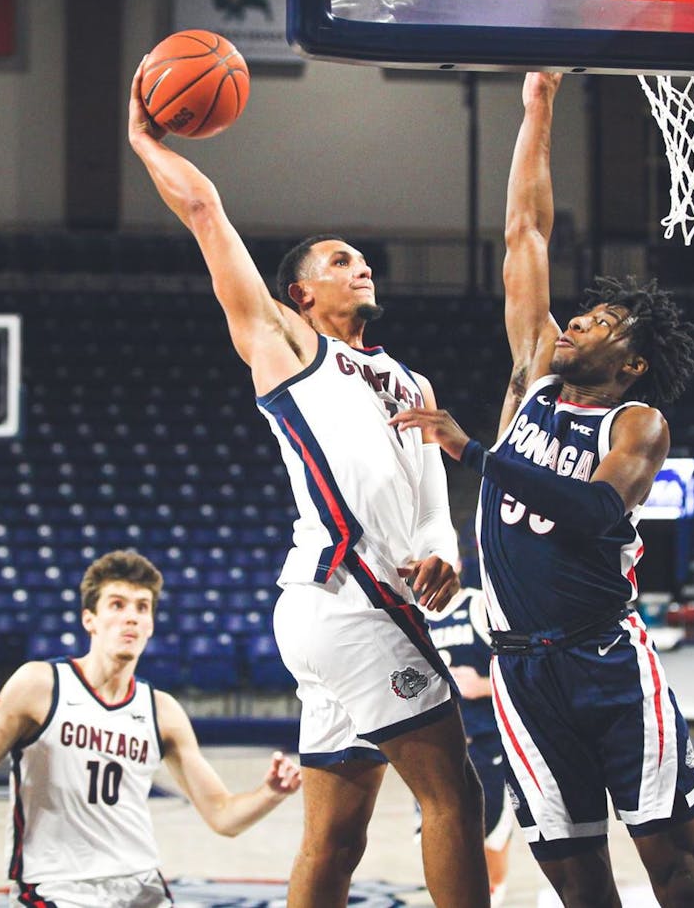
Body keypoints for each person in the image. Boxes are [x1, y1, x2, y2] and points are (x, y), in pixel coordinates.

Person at [127, 62, 489, 907]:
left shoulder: (413, 382)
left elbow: (430, 500)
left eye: (362, 257)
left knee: (334, 838)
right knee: (454, 793)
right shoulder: (288, 347)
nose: (360, 265)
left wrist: (443, 554)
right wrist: (147, 139)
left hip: (359, 606)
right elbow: (207, 214)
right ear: (301, 292)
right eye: (340, 259)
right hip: (346, 598)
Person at [391, 72, 694, 907]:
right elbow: (525, 231)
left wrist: (475, 450)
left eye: (602, 323)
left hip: (604, 657)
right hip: (520, 672)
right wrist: (538, 107)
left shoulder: (636, 424)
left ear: (630, 361)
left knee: (673, 869)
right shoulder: (533, 376)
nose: (576, 321)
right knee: (577, 884)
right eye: (581, 313)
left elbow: (596, 513)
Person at [0, 549, 302, 907]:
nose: (131, 617)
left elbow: (223, 816)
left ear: (151, 625)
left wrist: (271, 792)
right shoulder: (39, 685)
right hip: (56, 886)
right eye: (117, 605)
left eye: (142, 607)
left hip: (140, 885)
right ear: (89, 619)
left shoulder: (162, 711)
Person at [420, 587, 518, 907]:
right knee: (443, 847)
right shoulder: (411, 617)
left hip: (485, 744)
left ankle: (495, 897)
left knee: (491, 839)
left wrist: (483, 686)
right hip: (434, 752)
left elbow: (525, 672)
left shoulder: (480, 605)